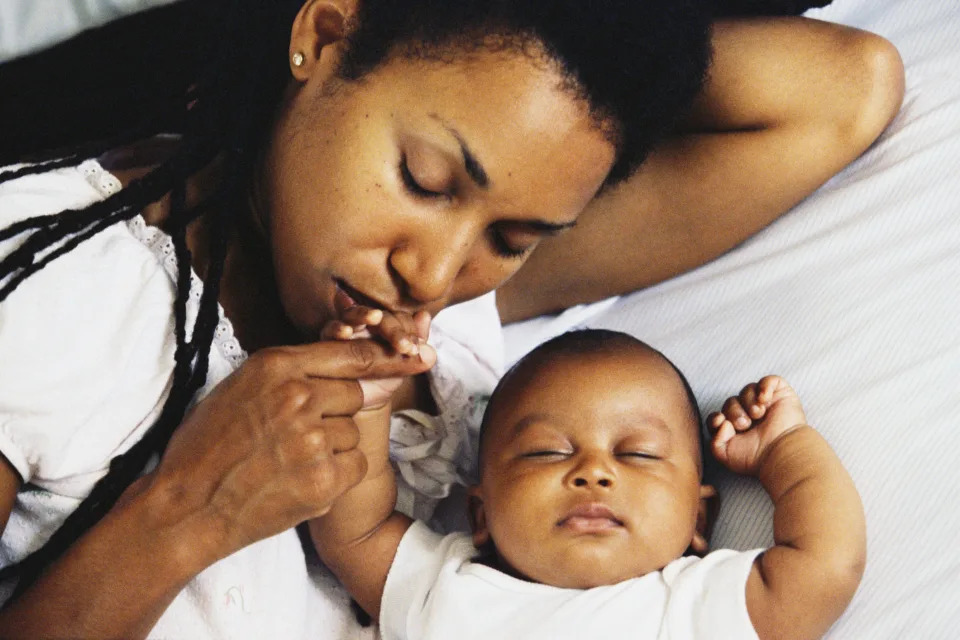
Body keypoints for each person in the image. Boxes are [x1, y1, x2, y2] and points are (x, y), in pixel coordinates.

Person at [0, 0, 900, 637]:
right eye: (425, 181)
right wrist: (192, 508)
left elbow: (849, 87)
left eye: (513, 235)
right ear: (322, 32)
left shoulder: (458, 319)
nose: (432, 273)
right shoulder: (51, 290)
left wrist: (596, 54)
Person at [311, 327, 866, 640]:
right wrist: (364, 402)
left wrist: (783, 449)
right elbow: (353, 533)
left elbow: (826, 564)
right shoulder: (445, 586)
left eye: (638, 454)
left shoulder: (695, 607)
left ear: (698, 520)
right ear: (481, 515)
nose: (593, 472)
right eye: (545, 451)